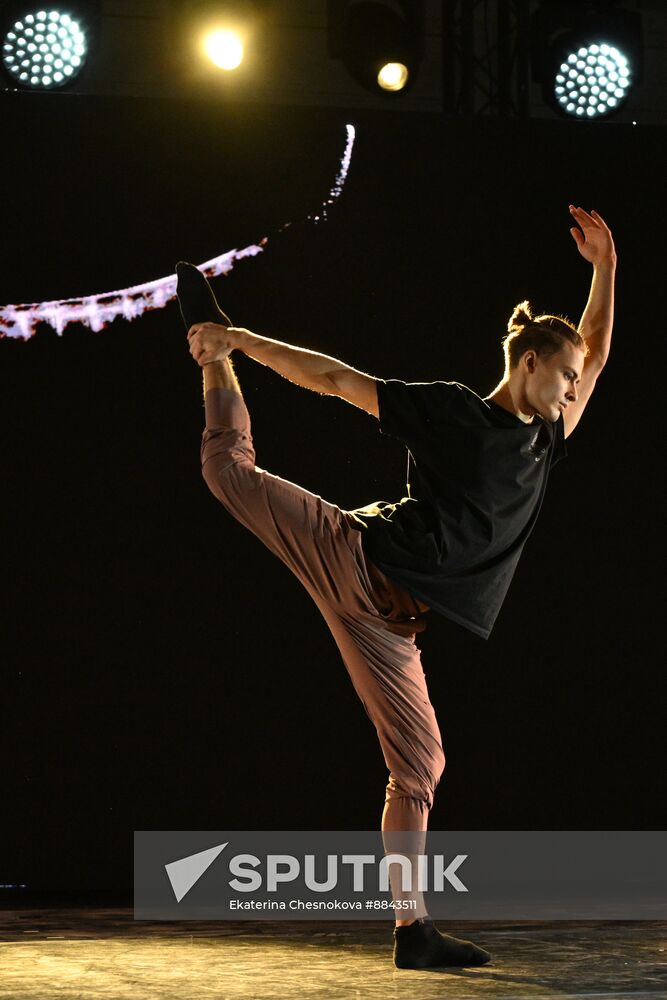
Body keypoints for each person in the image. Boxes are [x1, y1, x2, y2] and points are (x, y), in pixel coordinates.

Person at [176, 204, 616, 970]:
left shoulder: (545, 441)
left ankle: (411, 934)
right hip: (352, 554)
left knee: (420, 769)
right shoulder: (452, 412)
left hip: (392, 627)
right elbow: (339, 381)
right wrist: (239, 340)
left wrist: (605, 269)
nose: (574, 390)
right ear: (527, 363)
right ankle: (211, 352)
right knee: (225, 474)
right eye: (565, 376)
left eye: (577, 380)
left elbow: (599, 351)